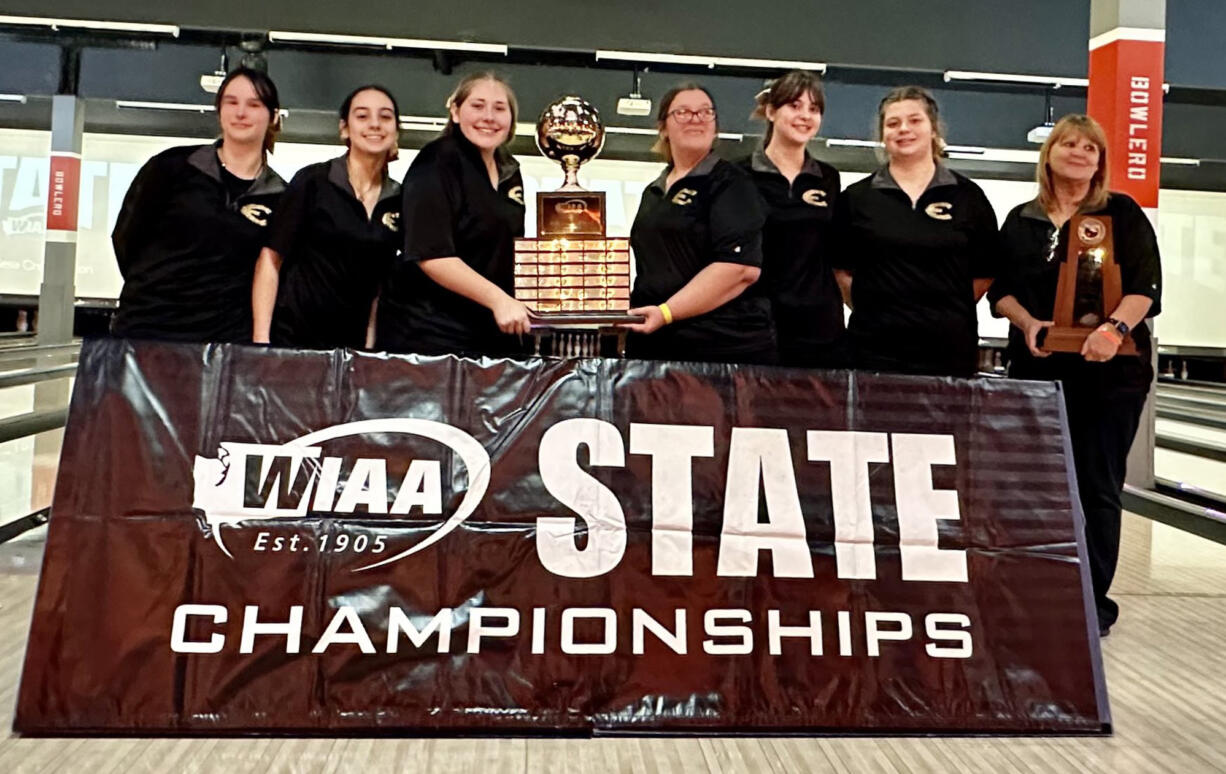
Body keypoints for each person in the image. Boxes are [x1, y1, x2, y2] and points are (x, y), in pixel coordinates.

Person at [990, 114, 1162, 638]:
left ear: (1101, 160)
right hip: (1039, 366)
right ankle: (1035, 589)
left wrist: (1112, 329)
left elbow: (1147, 287)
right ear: (1050, 155)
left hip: (1111, 373)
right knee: (1034, 486)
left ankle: (1092, 601)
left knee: (1096, 484)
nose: (1080, 152)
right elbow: (1001, 293)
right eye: (1068, 143)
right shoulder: (1022, 220)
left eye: (1090, 147)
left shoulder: (1121, 214)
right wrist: (1029, 323)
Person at [832, 86, 999, 377]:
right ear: (882, 135)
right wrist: (882, 310)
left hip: (949, 352)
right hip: (872, 350)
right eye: (893, 123)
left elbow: (985, 272)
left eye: (914, 120)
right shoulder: (857, 198)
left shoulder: (969, 197)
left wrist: (938, 310)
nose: (903, 129)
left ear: (933, 129)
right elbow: (841, 271)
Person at [111, 67, 286, 342]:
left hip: (222, 341)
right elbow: (126, 237)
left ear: (274, 116)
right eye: (231, 102)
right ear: (219, 110)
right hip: (147, 328)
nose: (241, 113)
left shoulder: (279, 197)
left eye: (254, 104)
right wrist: (153, 288)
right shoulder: (172, 166)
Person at [375, 72, 528, 357]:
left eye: (499, 108)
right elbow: (431, 254)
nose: (489, 117)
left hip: (488, 333)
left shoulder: (510, 171)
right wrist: (498, 300)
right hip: (428, 336)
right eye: (477, 106)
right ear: (456, 112)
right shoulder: (436, 161)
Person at [623, 83, 772, 364]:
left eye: (705, 112)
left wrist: (667, 312)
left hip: (718, 350)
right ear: (663, 127)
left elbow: (740, 270)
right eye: (683, 112)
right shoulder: (653, 192)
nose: (696, 118)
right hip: (655, 346)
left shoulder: (732, 183)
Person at [252, 85, 402, 349]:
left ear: (396, 129)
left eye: (385, 116)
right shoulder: (313, 181)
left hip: (350, 348)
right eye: (362, 115)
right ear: (345, 128)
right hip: (293, 340)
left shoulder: (398, 198)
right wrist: (261, 344)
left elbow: (379, 288)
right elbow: (270, 259)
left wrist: (368, 350)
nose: (375, 124)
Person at [740, 70, 844, 368]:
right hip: (758, 325)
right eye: (795, 106)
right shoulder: (738, 175)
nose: (805, 116)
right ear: (771, 111)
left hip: (819, 327)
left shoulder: (828, 178)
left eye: (814, 109)